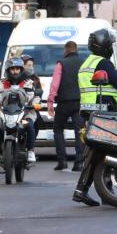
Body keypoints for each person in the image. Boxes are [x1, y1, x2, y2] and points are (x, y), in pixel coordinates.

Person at [72, 29, 117, 207]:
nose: (111, 47)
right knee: (106, 152)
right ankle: (100, 190)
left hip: (91, 112)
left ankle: (88, 190)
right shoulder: (103, 63)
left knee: (100, 153)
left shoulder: (87, 63)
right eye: (110, 44)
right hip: (103, 112)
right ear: (104, 46)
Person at [0, 57, 40, 167]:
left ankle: (31, 151)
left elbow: (33, 96)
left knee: (30, 125)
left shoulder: (28, 82)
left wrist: (35, 104)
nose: (15, 71)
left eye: (17, 69)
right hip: (6, 113)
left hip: (25, 113)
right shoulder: (3, 82)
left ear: (21, 70)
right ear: (8, 70)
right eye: (12, 69)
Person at [47, 41, 85, 172]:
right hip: (80, 102)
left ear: (66, 50)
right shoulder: (84, 63)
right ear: (76, 49)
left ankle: (62, 161)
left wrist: (50, 102)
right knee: (80, 132)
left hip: (64, 102)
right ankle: (79, 162)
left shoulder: (61, 63)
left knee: (58, 129)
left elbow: (54, 84)